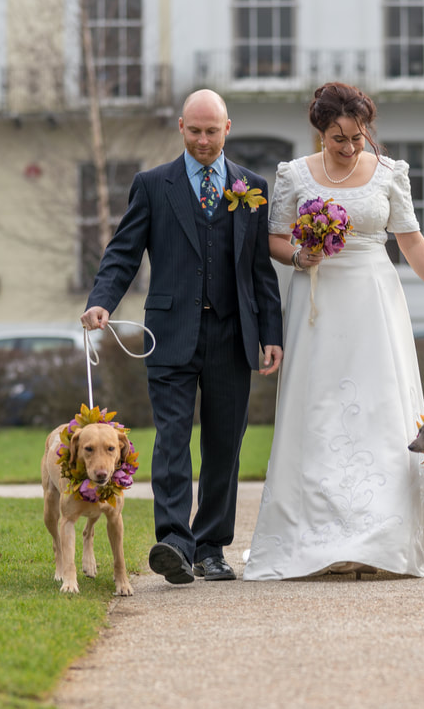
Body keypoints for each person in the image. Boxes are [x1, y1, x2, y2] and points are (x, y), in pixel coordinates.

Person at [242, 82, 424, 580]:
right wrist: (300, 255)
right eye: (337, 138)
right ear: (320, 131)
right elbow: (274, 239)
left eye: (357, 139)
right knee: (318, 413)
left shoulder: (389, 174)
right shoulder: (294, 175)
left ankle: (381, 538)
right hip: (317, 303)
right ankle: (321, 538)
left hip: (374, 302)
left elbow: (410, 241)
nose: (347, 148)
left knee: (381, 413)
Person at [81, 89, 283, 585]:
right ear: (180, 128)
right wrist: (102, 299)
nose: (203, 140)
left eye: (212, 131)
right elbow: (124, 251)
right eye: (194, 131)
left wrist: (271, 333)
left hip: (234, 334)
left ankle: (211, 546)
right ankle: (173, 541)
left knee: (223, 445)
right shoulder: (152, 186)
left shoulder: (251, 187)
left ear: (227, 129)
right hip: (168, 333)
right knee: (171, 439)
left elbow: (260, 271)